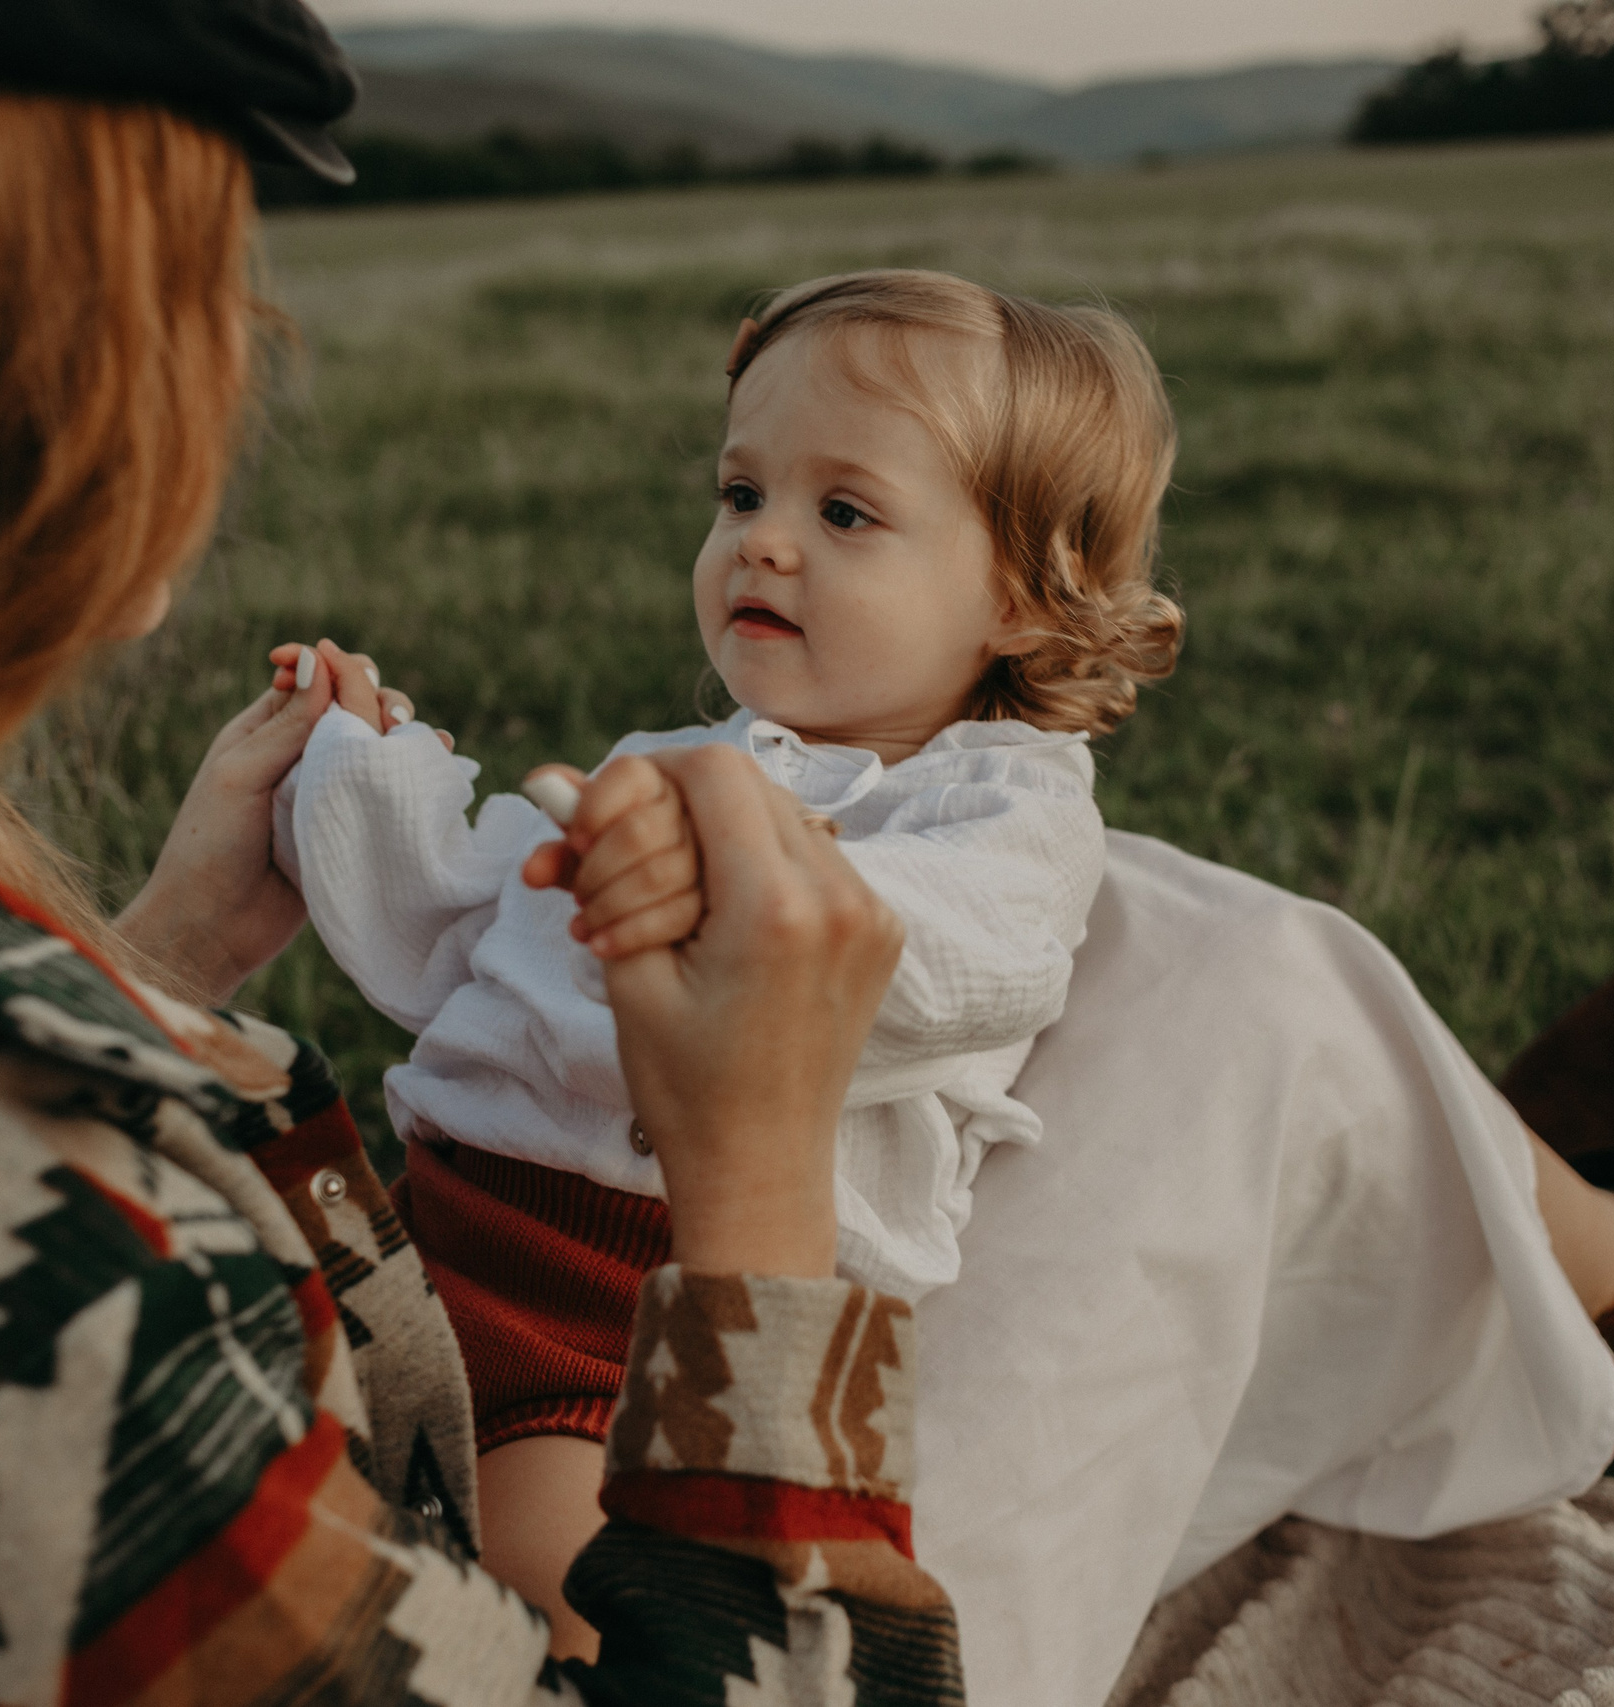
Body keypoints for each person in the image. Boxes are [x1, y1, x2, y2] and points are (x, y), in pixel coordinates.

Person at [0, 10, 959, 1703]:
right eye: (200, 278)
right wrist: (764, 1196)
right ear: (1, 371)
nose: (239, 348)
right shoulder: (45, 1318)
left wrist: (152, 966)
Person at [268, 271, 1179, 1649]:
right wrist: (352, 766)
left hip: (662, 1324)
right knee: (284, 1460)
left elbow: (949, 958)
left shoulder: (1009, 812)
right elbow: (455, 930)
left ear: (1023, 596)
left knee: (549, 1579)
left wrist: (732, 883)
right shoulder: (672, 763)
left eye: (845, 513)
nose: (763, 543)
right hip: (434, 1236)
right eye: (742, 494)